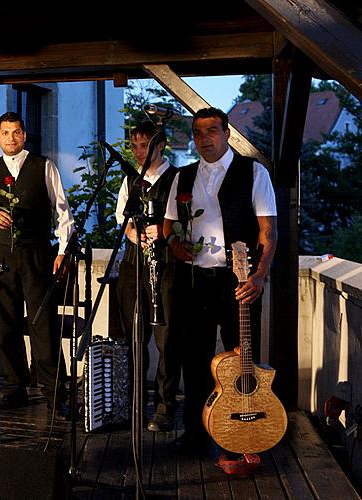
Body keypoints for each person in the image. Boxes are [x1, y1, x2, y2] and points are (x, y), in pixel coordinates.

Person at [163, 107, 277, 451]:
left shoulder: (253, 172)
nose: (204, 139)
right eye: (198, 133)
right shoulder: (182, 176)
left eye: (212, 131)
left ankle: (240, 432)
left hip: (238, 282)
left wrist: (259, 276)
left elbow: (268, 230)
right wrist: (174, 244)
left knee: (240, 357)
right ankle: (197, 433)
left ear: (227, 133)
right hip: (194, 281)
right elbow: (168, 224)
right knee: (194, 359)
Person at [0, 111, 75, 415]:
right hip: (2, 253)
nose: (11, 138)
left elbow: (62, 210)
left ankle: (54, 391)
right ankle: (14, 388)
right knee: (6, 322)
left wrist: (62, 250)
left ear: (24, 135)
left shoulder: (43, 166)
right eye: (5, 133)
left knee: (43, 323)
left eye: (16, 132)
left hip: (37, 252)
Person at [114, 120, 180, 432]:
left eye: (146, 145)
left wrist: (162, 232)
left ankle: (165, 407)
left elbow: (182, 223)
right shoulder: (130, 180)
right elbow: (122, 221)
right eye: (136, 146)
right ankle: (135, 404)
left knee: (166, 338)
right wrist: (134, 234)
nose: (139, 152)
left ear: (161, 145)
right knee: (132, 336)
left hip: (165, 263)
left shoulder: (176, 177)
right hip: (132, 262)